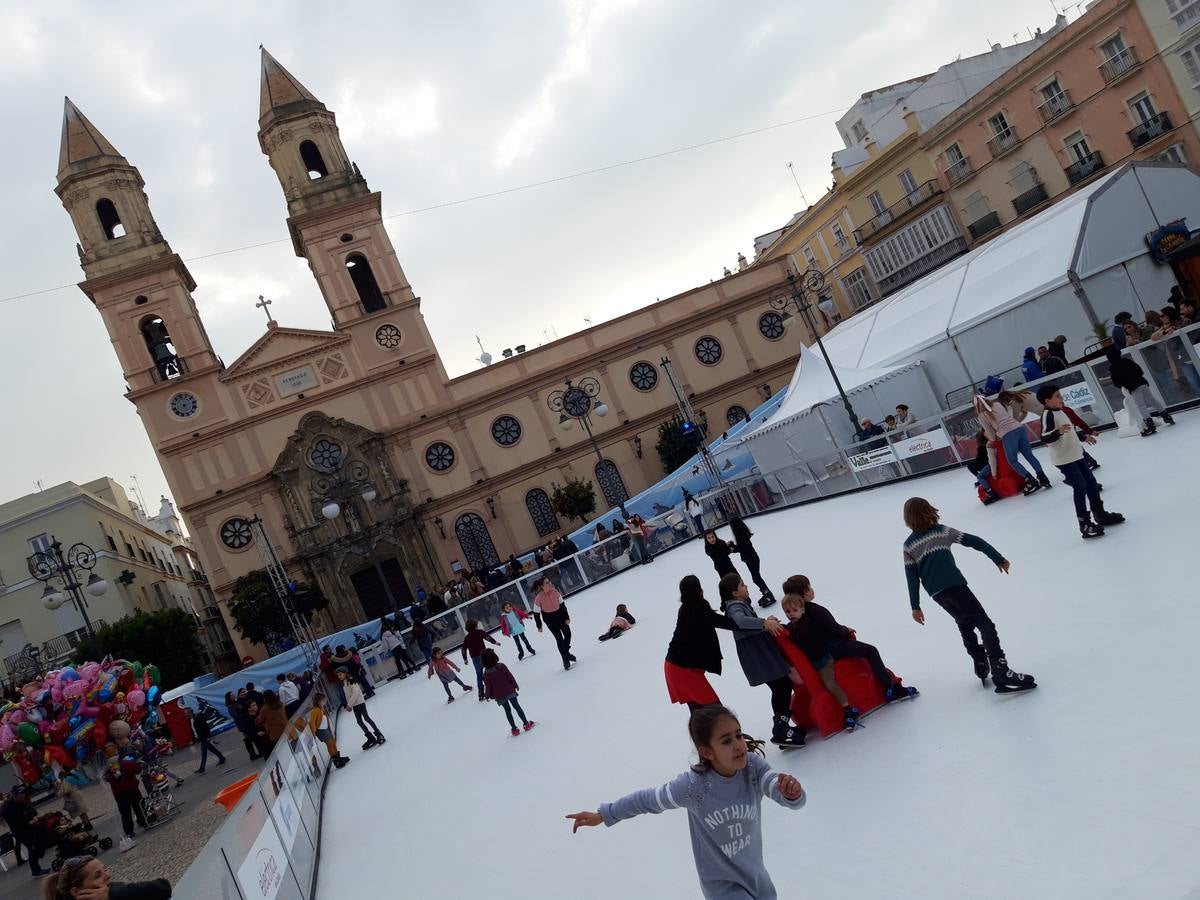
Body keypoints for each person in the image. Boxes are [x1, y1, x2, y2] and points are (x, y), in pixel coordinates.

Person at [566, 705, 805, 900]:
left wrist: (790, 792)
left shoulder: (752, 767)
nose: (738, 744)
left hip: (756, 875)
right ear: (707, 752)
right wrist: (605, 814)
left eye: (738, 735)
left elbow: (774, 785)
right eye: (726, 741)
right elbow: (648, 799)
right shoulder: (694, 787)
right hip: (721, 886)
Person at [902, 497, 1035, 693]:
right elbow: (975, 541)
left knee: (964, 622)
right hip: (956, 587)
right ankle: (1001, 670)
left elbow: (912, 577)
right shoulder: (942, 532)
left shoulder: (908, 546)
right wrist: (998, 558)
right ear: (929, 511)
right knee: (985, 624)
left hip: (938, 594)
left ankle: (979, 660)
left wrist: (915, 606)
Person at [780, 576, 916, 729]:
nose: (812, 590)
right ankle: (890, 688)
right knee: (871, 650)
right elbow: (835, 628)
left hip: (823, 652)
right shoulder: (815, 610)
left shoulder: (798, 619)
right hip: (833, 648)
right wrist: (847, 631)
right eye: (809, 587)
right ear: (805, 592)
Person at [717, 573, 804, 748]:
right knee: (783, 686)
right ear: (735, 592)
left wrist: (766, 621)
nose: (746, 586)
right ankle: (781, 729)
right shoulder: (734, 607)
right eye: (742, 585)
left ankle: (782, 728)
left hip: (761, 655)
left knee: (780, 687)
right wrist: (764, 623)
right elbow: (741, 621)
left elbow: (750, 623)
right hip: (759, 657)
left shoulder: (740, 604)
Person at [1036, 383, 1126, 539]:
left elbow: (1069, 432)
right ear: (1047, 401)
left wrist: (1084, 436)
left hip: (1076, 454)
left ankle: (1100, 514)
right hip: (1064, 459)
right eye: (1057, 396)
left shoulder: (1061, 411)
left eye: (1060, 394)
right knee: (1080, 486)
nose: (1061, 398)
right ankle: (1084, 524)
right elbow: (1044, 437)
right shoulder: (1048, 415)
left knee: (1091, 483)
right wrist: (1058, 431)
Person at [664, 575, 736, 710]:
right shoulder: (697, 608)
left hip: (672, 666)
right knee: (716, 711)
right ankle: (728, 731)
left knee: (699, 713)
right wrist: (748, 620)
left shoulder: (686, 609)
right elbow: (724, 622)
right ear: (699, 590)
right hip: (684, 669)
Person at [974, 393, 1049, 493]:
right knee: (1029, 455)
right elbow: (1009, 415)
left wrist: (994, 439)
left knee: (1012, 461)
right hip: (1019, 428)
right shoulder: (997, 404)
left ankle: (1030, 480)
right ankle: (1043, 477)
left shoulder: (981, 415)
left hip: (1007, 434)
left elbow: (990, 434)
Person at [1105, 346, 1175, 436]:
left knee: (1140, 405)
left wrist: (1125, 384)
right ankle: (1166, 415)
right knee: (1152, 400)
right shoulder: (1127, 361)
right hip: (1142, 383)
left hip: (1133, 387)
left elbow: (1116, 382)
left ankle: (1150, 425)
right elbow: (1139, 370)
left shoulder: (1113, 368)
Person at [41, 854, 172, 900]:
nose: (107, 876)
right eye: (98, 875)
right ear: (76, 892)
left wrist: (113, 894)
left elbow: (163, 887)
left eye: (104, 870)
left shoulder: (111, 892)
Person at [103, 742, 148, 852]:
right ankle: (144, 822)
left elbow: (107, 779)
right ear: (116, 751)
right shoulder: (125, 762)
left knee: (125, 811)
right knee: (138, 806)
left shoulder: (107, 769)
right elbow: (137, 769)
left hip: (119, 793)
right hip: (132, 788)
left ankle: (129, 831)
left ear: (106, 755)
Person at [480, 648, 536, 736]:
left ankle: (514, 729)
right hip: (509, 690)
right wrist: (515, 684)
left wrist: (487, 696)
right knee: (517, 706)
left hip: (499, 695)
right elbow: (509, 676)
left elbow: (488, 686)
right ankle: (526, 723)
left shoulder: (486, 673)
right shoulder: (501, 666)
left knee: (507, 711)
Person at [728, 516, 775, 607]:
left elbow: (743, 548)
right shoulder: (742, 534)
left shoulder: (741, 535)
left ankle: (768, 594)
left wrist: (733, 549)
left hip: (751, 559)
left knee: (756, 578)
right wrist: (733, 546)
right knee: (756, 578)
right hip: (751, 558)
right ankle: (767, 593)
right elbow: (742, 546)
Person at [532, 576, 575, 670]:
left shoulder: (555, 592)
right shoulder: (538, 598)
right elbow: (536, 613)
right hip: (550, 620)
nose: (549, 583)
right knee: (559, 639)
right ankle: (565, 659)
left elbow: (563, 605)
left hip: (561, 616)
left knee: (568, 634)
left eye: (549, 581)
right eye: (547, 582)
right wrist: (539, 625)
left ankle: (566, 653)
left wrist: (567, 617)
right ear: (542, 586)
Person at [337, 668, 385, 750]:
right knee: (359, 722)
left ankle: (379, 734)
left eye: (340, 674)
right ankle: (370, 737)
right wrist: (350, 704)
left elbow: (355, 693)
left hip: (359, 702)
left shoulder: (351, 680)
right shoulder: (345, 682)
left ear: (345, 673)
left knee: (367, 718)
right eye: (338, 675)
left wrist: (349, 705)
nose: (339, 676)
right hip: (355, 704)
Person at [461, 618, 501, 697]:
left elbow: (463, 649)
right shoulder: (480, 632)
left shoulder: (467, 637)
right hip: (484, 655)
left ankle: (481, 692)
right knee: (490, 668)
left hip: (474, 657)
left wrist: (465, 659)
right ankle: (495, 684)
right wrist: (495, 642)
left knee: (479, 674)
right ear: (475, 625)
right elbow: (488, 638)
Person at [1, 786, 39, 870]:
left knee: (25, 845)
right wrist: (28, 821)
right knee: (30, 847)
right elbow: (17, 818)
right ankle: (35, 869)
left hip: (18, 828)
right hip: (19, 829)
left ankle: (24, 862)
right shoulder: (10, 805)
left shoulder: (11, 804)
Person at [308, 693, 348, 768]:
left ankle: (338, 758)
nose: (325, 701)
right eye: (323, 700)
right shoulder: (314, 711)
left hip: (326, 729)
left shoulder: (321, 708)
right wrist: (313, 733)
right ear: (319, 701)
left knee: (333, 743)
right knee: (329, 744)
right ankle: (336, 761)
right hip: (321, 731)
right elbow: (312, 723)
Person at [188, 705, 226, 774]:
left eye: (186, 712)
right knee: (212, 749)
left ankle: (202, 768)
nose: (185, 714)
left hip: (204, 737)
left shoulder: (198, 717)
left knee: (204, 752)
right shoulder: (190, 720)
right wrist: (193, 740)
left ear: (190, 712)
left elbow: (205, 726)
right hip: (200, 738)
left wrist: (208, 736)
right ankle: (222, 758)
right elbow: (194, 731)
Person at [965, 429, 999, 505]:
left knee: (980, 476)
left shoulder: (982, 447)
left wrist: (973, 463)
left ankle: (991, 492)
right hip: (991, 462)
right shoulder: (990, 443)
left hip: (991, 464)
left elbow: (979, 459)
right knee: (972, 465)